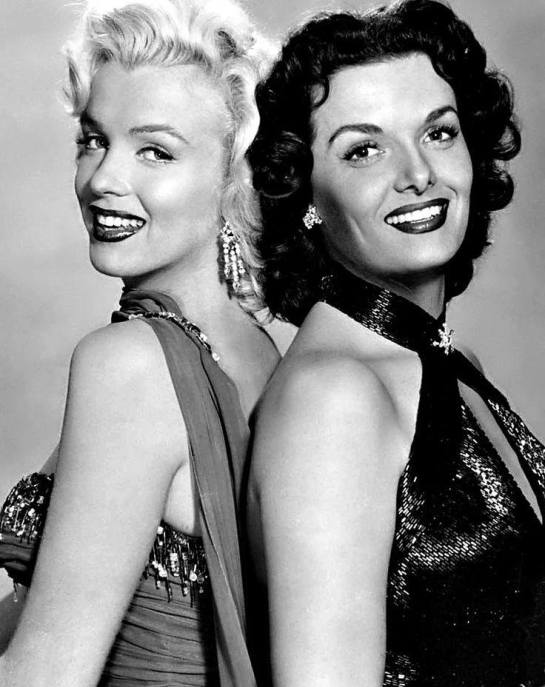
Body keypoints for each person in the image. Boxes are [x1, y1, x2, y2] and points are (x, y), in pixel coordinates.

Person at [245, 1, 545, 685]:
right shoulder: (332, 397)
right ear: (305, 193)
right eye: (363, 149)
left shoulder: (446, 365)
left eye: (438, 133)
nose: (417, 173)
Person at [0, 0, 278, 685]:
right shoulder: (260, 353)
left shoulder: (130, 365)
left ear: (233, 174)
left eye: (155, 150)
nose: (103, 179)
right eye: (93, 140)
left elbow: (46, 673)